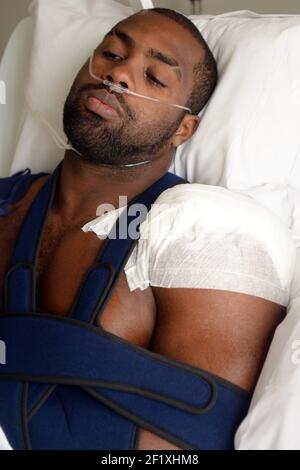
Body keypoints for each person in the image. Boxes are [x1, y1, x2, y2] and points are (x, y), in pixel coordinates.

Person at [0, 8, 294, 450]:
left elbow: (191, 447)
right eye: (111, 53)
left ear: (184, 128)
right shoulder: (7, 201)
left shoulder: (208, 235)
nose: (118, 74)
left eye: (154, 78)